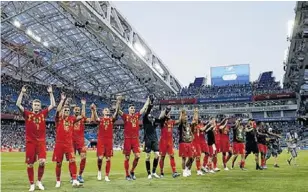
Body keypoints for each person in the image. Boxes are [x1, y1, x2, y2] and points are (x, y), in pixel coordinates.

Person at [16, 85, 55, 192]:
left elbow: (53, 105)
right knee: (30, 164)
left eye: (38, 105)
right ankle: (32, 184)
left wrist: (50, 93)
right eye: (35, 105)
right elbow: (18, 104)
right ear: (32, 105)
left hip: (41, 142)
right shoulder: (27, 114)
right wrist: (22, 92)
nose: (37, 106)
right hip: (30, 142)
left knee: (42, 161)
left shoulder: (43, 114)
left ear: (40, 106)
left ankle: (39, 181)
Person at [52, 93, 84, 188]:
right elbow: (58, 110)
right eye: (65, 110)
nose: (66, 111)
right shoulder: (58, 119)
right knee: (59, 163)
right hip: (59, 144)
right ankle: (58, 180)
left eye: (68, 110)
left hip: (69, 144)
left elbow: (82, 116)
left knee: (72, 160)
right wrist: (62, 100)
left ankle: (74, 179)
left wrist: (82, 105)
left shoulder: (71, 119)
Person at [118, 97, 151, 180]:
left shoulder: (136, 116)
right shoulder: (125, 116)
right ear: (128, 109)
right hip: (128, 139)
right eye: (131, 108)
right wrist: (118, 102)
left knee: (138, 156)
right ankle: (127, 175)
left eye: (133, 108)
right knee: (127, 157)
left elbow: (143, 109)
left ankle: (132, 171)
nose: (133, 109)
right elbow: (118, 111)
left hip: (135, 139)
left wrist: (148, 101)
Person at [93, 96, 122, 182]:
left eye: (108, 110)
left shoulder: (111, 120)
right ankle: (99, 172)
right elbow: (95, 118)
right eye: (105, 110)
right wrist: (94, 110)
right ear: (102, 112)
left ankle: (106, 175)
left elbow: (116, 113)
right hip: (101, 140)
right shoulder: (100, 119)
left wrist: (118, 103)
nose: (107, 111)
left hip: (109, 141)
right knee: (100, 158)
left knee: (108, 159)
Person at [71, 101, 93, 183]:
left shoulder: (82, 119)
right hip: (71, 141)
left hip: (80, 141)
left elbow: (90, 119)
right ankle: (72, 176)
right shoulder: (70, 118)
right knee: (72, 160)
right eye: (75, 109)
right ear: (73, 110)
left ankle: (79, 175)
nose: (77, 111)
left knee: (83, 157)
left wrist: (84, 105)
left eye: (78, 110)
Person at [158, 106, 181, 178]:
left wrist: (181, 114)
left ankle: (174, 172)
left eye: (169, 113)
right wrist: (165, 111)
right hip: (163, 142)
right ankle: (161, 172)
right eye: (168, 113)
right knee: (162, 157)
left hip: (170, 141)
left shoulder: (171, 121)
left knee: (172, 156)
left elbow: (179, 121)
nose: (169, 114)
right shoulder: (162, 121)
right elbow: (160, 117)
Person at [142, 95, 162, 179]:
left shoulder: (153, 120)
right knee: (148, 156)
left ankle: (153, 172)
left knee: (157, 155)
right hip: (148, 139)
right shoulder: (145, 119)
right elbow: (147, 112)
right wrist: (150, 103)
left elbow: (161, 119)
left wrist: (165, 111)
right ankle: (149, 173)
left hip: (154, 138)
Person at [178, 109, 197, 177]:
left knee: (192, 157)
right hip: (183, 142)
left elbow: (193, 124)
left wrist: (192, 136)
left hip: (189, 142)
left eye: (186, 116)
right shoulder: (181, 124)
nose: (186, 117)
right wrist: (182, 113)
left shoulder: (188, 124)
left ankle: (187, 169)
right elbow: (181, 120)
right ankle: (184, 172)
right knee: (184, 158)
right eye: (185, 116)